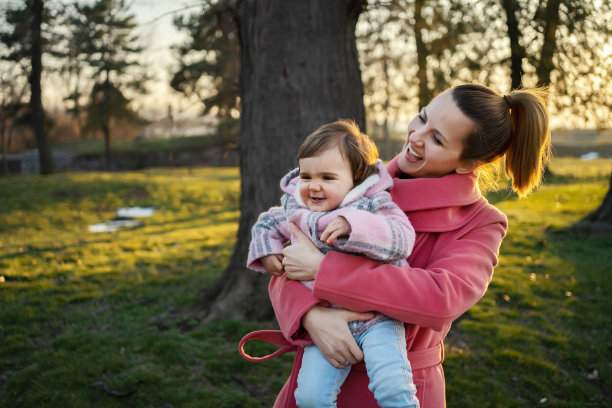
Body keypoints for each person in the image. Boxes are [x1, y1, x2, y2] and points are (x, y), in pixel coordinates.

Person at [266, 83, 551, 407]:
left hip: (397, 387)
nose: (416, 136)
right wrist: (310, 317)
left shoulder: (480, 222)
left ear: (466, 163)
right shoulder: (358, 180)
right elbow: (287, 255)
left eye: (437, 139)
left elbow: (440, 298)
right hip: (315, 378)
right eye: (422, 118)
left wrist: (325, 270)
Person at [246, 119, 420, 407]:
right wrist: (268, 251)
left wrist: (355, 226)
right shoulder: (294, 210)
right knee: (311, 395)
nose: (314, 186)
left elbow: (402, 238)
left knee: (393, 387)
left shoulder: (372, 205)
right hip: (324, 320)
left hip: (376, 318)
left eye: (328, 178)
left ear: (357, 178)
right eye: (306, 176)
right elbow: (266, 223)